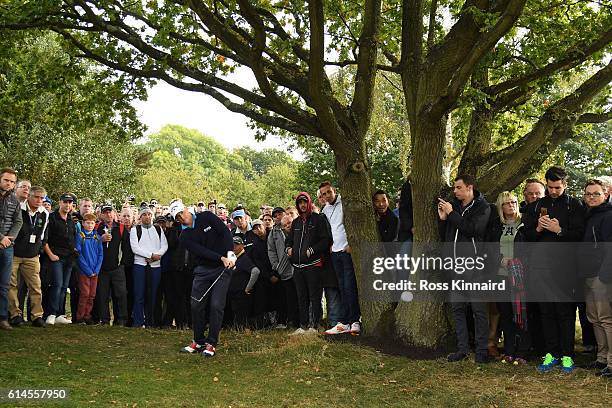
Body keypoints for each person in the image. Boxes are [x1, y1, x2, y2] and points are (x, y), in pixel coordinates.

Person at [522, 166, 585, 373]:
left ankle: (567, 355)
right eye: (550, 187)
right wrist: (539, 228)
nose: (553, 191)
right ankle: (552, 354)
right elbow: (528, 236)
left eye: (557, 187)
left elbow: (579, 235)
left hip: (565, 269)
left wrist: (559, 231)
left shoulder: (574, 205)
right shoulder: (537, 204)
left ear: (565, 185)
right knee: (546, 312)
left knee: (564, 313)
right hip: (540, 268)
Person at [438, 174, 491, 363]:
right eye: (454, 188)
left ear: (469, 188)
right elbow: (447, 235)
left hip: (474, 266)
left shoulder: (483, 207)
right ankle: (462, 349)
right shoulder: (455, 206)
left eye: (458, 187)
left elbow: (472, 229)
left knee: (478, 310)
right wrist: (444, 219)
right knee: (458, 308)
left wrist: (451, 214)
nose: (454, 191)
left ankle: (482, 351)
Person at [173, 200, 235, 357]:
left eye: (181, 213)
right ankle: (198, 340)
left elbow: (225, 232)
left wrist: (229, 254)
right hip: (203, 270)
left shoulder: (206, 217)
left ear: (187, 209)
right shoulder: (184, 236)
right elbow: (201, 251)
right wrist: (221, 257)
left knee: (216, 305)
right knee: (196, 304)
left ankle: (211, 343)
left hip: (223, 268)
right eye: (177, 217)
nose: (181, 217)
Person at [488, 191, 531, 364]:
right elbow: (489, 248)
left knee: (521, 314)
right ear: (501, 206)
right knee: (506, 314)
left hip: (521, 276)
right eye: (507, 203)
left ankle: (523, 351)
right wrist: (501, 260)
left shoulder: (526, 223)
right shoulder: (496, 225)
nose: (511, 205)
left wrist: (518, 263)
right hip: (501, 275)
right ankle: (509, 350)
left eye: (513, 202)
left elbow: (531, 247)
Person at [577, 179, 612, 378]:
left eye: (596, 193)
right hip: (588, 275)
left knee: (606, 319)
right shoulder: (590, 215)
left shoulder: (608, 216)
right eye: (588, 194)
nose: (591, 197)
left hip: (602, 276)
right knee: (594, 318)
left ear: (605, 195)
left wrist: (605, 275)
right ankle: (601, 358)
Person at [286, 192, 330, 335]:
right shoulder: (296, 222)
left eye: (305, 202)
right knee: (301, 297)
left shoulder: (319, 219)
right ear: (297, 205)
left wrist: (313, 249)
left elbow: (326, 240)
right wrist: (288, 248)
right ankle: (303, 326)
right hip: (298, 267)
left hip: (314, 265)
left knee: (315, 296)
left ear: (309, 203)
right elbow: (289, 240)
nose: (303, 205)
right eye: (300, 203)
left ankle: (314, 326)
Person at [320, 182, 361, 335]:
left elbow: (354, 224)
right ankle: (344, 322)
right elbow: (328, 230)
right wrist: (330, 245)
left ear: (334, 191)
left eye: (328, 192)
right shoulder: (325, 209)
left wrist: (352, 244)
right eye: (323, 194)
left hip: (346, 250)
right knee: (342, 287)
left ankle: (355, 320)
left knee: (350, 286)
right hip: (335, 252)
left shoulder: (345, 203)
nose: (326, 196)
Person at [8, 185, 47, 328]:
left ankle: (37, 316)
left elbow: (43, 235)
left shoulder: (44, 213)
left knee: (36, 286)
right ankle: (15, 314)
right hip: (14, 253)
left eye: (42, 198)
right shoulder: (19, 209)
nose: (39, 200)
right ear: (29, 196)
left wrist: (38, 249)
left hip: (32, 256)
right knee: (11, 285)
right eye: (36, 197)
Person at [130, 207, 168, 327]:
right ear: (140, 217)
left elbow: (164, 245)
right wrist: (150, 255)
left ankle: (150, 322)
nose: (147, 216)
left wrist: (157, 256)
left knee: (153, 295)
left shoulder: (157, 229)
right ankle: (138, 321)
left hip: (155, 266)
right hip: (140, 265)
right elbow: (135, 248)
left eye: (149, 214)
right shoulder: (135, 229)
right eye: (144, 215)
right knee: (139, 294)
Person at [44, 192, 77, 326]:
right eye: (65, 202)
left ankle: (59, 314)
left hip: (69, 258)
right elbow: (44, 239)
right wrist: (51, 255)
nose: (68, 205)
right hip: (55, 257)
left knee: (64, 287)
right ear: (60, 202)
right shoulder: (51, 218)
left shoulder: (71, 220)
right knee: (56, 285)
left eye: (70, 203)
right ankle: (51, 313)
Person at [95, 204, 129, 326]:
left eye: (110, 212)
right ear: (101, 215)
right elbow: (91, 243)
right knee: (102, 295)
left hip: (117, 267)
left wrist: (123, 264)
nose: (108, 215)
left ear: (114, 213)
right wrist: (100, 239)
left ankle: (121, 320)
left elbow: (126, 247)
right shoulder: (97, 227)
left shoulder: (120, 227)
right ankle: (104, 319)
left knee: (120, 294)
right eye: (105, 212)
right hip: (101, 268)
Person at [268, 208, 299, 328]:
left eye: (279, 214)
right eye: (274, 216)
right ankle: (292, 321)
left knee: (300, 295)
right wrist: (276, 266)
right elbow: (271, 250)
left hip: (298, 267)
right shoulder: (273, 232)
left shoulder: (294, 226)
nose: (277, 217)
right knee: (288, 297)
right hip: (283, 271)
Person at [75, 213, 103, 324]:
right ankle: (80, 317)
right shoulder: (80, 236)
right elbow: (79, 255)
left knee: (92, 295)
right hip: (84, 271)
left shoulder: (97, 237)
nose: (90, 225)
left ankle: (87, 315)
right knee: (84, 294)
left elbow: (100, 255)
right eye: (88, 223)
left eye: (92, 223)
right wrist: (87, 270)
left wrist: (96, 270)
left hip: (95, 272)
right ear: (83, 223)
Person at [227, 236, 260, 328]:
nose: (234, 247)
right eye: (232, 245)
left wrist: (248, 287)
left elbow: (256, 271)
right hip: (234, 294)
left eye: (236, 245)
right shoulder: (234, 258)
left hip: (242, 295)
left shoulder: (244, 258)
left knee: (242, 319)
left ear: (242, 246)